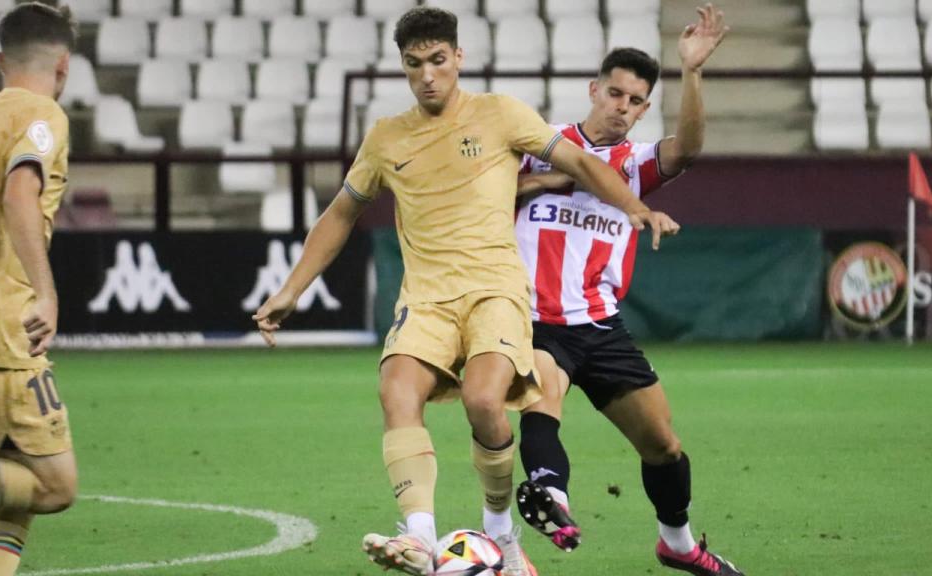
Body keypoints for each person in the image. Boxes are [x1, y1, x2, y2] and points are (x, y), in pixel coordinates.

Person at [252, 6, 677, 576]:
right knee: (395, 390)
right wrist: (290, 290)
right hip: (425, 297)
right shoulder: (386, 138)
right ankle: (420, 537)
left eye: (436, 60)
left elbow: (580, 160)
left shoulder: (499, 115)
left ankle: (499, 532)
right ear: (402, 67)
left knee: (484, 402)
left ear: (458, 58)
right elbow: (340, 213)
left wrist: (634, 207)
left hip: (495, 291)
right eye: (413, 64)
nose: (427, 74)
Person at [512, 5, 745, 576]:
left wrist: (691, 71)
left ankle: (679, 544)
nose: (623, 107)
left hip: (600, 324)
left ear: (644, 109)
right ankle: (553, 500)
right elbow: (488, 192)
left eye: (636, 100)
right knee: (543, 400)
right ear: (594, 90)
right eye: (615, 93)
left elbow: (686, 149)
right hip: (535, 319)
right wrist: (549, 178)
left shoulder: (634, 164)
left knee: (664, 445)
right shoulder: (536, 144)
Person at [0, 4, 79, 576]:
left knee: (10, 486)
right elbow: (20, 196)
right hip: (5, 325)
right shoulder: (42, 115)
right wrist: (46, 292)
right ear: (63, 64)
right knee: (53, 485)